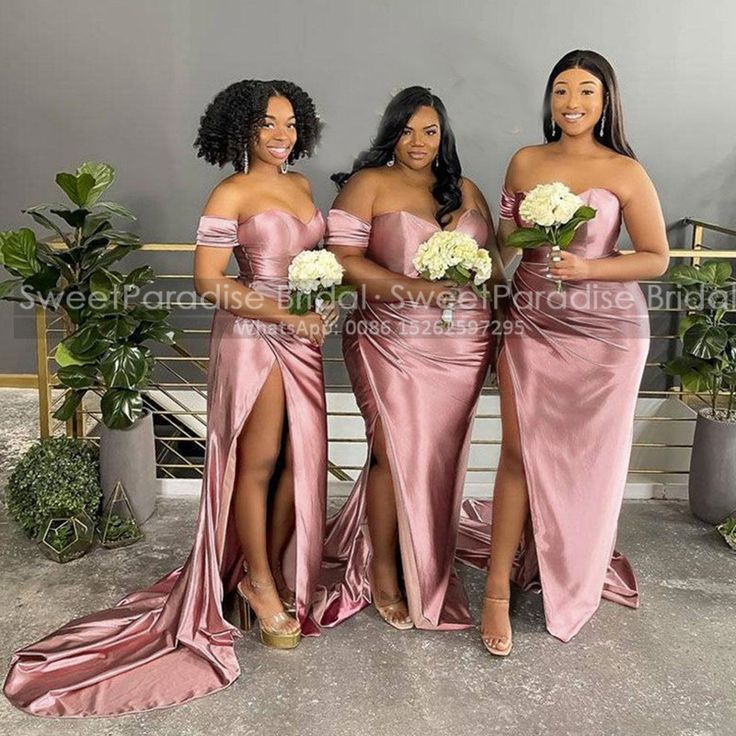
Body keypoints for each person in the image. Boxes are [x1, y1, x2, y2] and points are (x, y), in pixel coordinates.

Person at [4, 79, 336, 717]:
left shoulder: (302, 188)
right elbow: (208, 282)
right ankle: (260, 585)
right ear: (241, 129)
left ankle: (265, 568)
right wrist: (285, 314)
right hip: (255, 336)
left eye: (291, 124)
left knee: (299, 462)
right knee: (259, 462)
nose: (282, 135)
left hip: (303, 333)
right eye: (268, 123)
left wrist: (315, 298)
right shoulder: (230, 193)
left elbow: (306, 258)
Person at [458, 50, 669, 655]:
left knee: (587, 460)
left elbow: (655, 256)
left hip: (605, 333)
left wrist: (588, 266)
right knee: (519, 451)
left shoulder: (625, 170)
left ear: (606, 101)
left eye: (586, 91)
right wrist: (462, 252)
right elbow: (501, 242)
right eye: (560, 91)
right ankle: (497, 587)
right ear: (549, 101)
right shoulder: (525, 160)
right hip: (530, 319)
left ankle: (566, 566)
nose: (572, 102)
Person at [314, 86, 505, 631]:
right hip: (390, 338)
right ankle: (385, 573)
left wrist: (495, 312)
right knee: (391, 452)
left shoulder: (464, 188)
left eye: (429, 131)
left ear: (443, 135)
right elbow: (342, 261)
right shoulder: (367, 184)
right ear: (390, 133)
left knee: (440, 456)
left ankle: (430, 556)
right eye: (407, 130)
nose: (418, 142)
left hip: (465, 343)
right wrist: (412, 288)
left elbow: (492, 265)